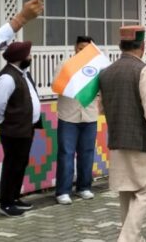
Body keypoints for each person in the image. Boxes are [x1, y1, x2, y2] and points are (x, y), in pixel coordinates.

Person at [98, 26, 146, 240]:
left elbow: (101, 108)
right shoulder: (144, 70)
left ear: (120, 46)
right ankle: (127, 239)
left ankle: (134, 238)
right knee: (145, 191)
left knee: (126, 192)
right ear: (141, 46)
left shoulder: (106, 72)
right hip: (141, 141)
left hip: (116, 140)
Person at [0, 41, 42, 217]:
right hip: (13, 130)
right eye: (28, 55)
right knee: (11, 165)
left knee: (20, 163)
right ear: (20, 58)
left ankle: (14, 198)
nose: (30, 57)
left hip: (25, 128)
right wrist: (4, 122)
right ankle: (6, 204)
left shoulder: (22, 73)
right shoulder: (7, 78)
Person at [55, 36, 99, 205]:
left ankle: (84, 187)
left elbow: (101, 89)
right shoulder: (65, 65)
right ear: (75, 48)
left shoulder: (96, 67)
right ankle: (63, 191)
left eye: (86, 49)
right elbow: (57, 86)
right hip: (69, 116)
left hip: (89, 115)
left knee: (87, 153)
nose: (83, 52)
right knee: (66, 153)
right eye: (80, 49)